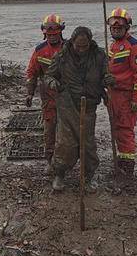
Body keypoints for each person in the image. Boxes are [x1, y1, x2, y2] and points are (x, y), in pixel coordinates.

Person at [45, 26, 115, 192]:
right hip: (67, 104)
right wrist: (52, 83)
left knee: (87, 143)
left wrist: (108, 80)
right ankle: (59, 175)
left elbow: (106, 77)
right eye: (78, 46)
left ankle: (88, 177)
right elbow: (47, 76)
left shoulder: (99, 56)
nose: (82, 50)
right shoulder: (62, 56)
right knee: (66, 143)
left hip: (89, 105)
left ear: (90, 43)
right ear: (72, 42)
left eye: (85, 46)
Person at [106, 7, 137, 187]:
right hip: (113, 94)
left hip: (126, 95)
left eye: (119, 28)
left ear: (126, 27)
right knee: (116, 129)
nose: (115, 30)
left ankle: (128, 169)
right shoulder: (112, 45)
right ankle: (121, 164)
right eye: (113, 28)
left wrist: (136, 100)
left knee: (125, 131)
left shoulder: (134, 46)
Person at [25, 13, 65, 166]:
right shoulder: (40, 50)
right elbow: (31, 72)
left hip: (66, 96)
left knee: (66, 131)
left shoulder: (69, 48)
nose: (52, 37)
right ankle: (50, 162)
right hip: (48, 97)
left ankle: (66, 162)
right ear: (44, 33)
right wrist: (29, 93)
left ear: (61, 31)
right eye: (49, 34)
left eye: (55, 34)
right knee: (49, 130)